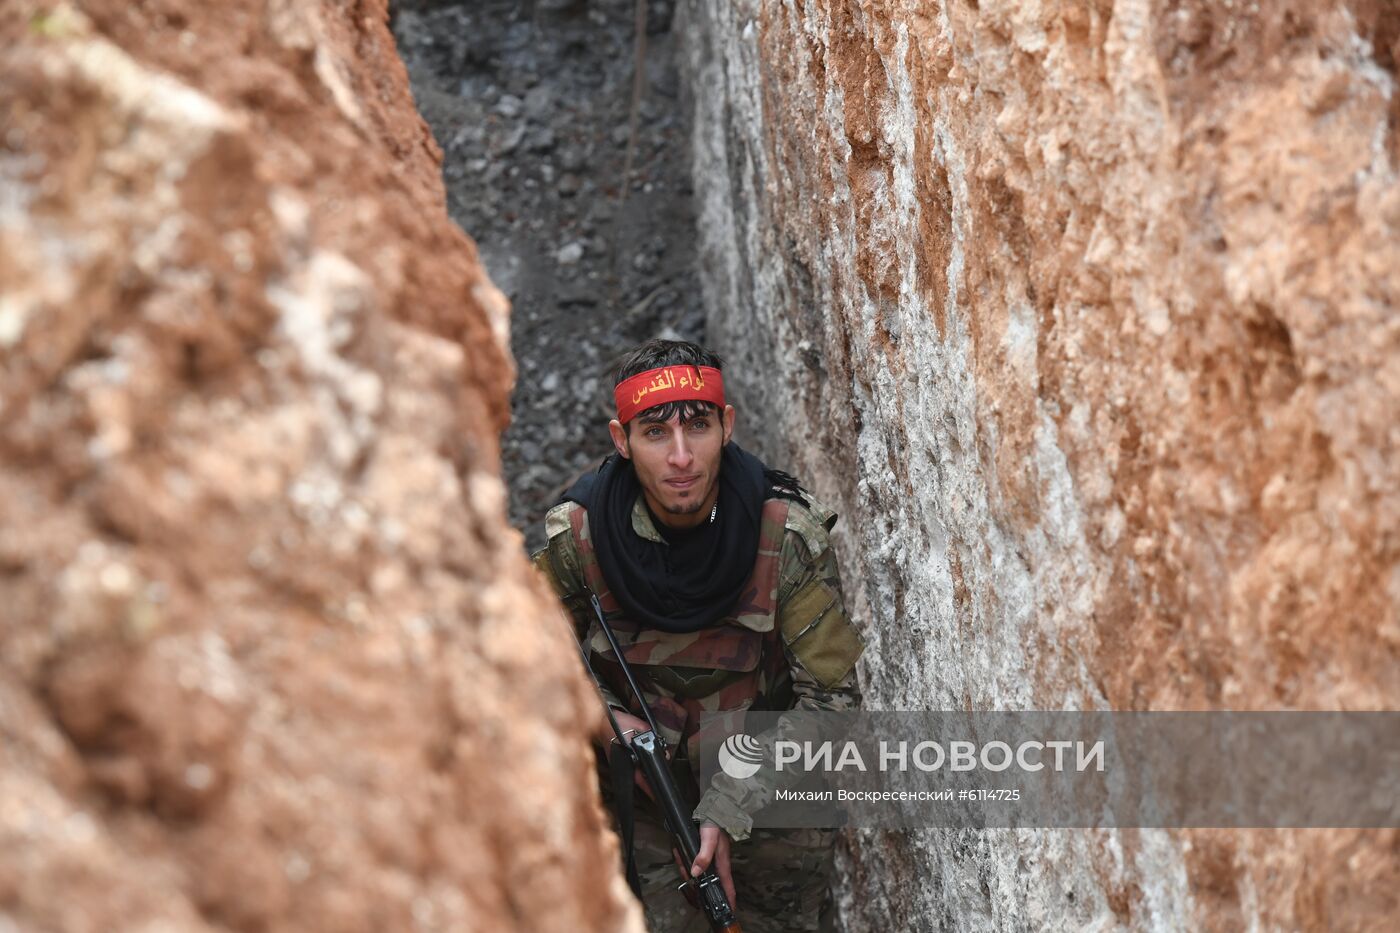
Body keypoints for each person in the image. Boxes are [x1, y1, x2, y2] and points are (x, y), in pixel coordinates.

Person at [532, 338, 863, 933]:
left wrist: (730, 803)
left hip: (769, 793)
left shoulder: (785, 536)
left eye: (698, 427)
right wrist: (602, 716)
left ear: (727, 426)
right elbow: (522, 659)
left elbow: (834, 703)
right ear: (621, 441)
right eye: (655, 432)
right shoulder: (579, 541)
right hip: (643, 804)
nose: (681, 456)